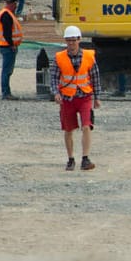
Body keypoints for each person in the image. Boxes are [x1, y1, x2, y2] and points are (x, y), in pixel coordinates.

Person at [49, 25, 100, 170]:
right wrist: (56, 93)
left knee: (86, 126)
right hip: (67, 99)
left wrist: (97, 97)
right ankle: (71, 159)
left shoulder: (89, 57)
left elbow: (95, 77)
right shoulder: (59, 58)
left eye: (74, 40)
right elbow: (53, 78)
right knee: (68, 129)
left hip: (84, 97)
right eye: (69, 40)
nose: (71, 43)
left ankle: (85, 158)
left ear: (79, 40)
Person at [0, 0, 23, 99]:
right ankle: (6, 93)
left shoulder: (4, 13)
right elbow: (7, 33)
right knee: (7, 71)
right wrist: (12, 45)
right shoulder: (7, 15)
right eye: (15, 5)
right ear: (12, 4)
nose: (16, 7)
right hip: (7, 47)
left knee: (7, 71)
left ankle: (6, 92)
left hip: (5, 46)